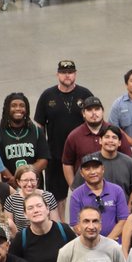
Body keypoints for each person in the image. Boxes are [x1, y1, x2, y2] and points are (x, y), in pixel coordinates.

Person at [35, 59, 94, 195]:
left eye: (70, 72)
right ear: (57, 75)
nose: (67, 75)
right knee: (57, 198)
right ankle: (59, 218)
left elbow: (95, 121)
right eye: (63, 72)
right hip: (56, 156)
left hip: (82, 155)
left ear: (75, 74)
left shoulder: (85, 95)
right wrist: (44, 152)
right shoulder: (47, 96)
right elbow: (39, 127)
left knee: (86, 194)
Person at [68, 152, 129, 238]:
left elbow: (123, 219)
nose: (92, 172)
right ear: (81, 173)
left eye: (96, 167)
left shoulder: (117, 190)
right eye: (87, 169)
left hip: (114, 245)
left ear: (103, 169)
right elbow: (76, 225)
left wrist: (107, 241)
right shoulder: (76, 195)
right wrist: (95, 242)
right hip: (89, 246)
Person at [0, 92, 49, 177]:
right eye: (13, 105)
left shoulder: (36, 131)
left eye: (22, 106)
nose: (18, 108)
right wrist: (13, 179)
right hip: (8, 187)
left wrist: (27, 177)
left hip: (33, 185)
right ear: (7, 109)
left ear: (26, 109)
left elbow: (44, 160)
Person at [61, 96, 113, 187]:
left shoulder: (114, 133)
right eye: (89, 110)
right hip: (85, 190)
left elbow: (126, 159)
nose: (94, 113)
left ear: (103, 111)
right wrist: (74, 187)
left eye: (97, 109)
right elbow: (67, 164)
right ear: (83, 113)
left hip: (112, 189)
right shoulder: (74, 136)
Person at [88, 124, 132, 198]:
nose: (110, 141)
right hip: (94, 208)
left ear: (119, 142)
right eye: (107, 137)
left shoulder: (128, 162)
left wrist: (129, 208)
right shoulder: (88, 162)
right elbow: (78, 189)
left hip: (123, 208)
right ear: (100, 140)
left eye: (114, 137)